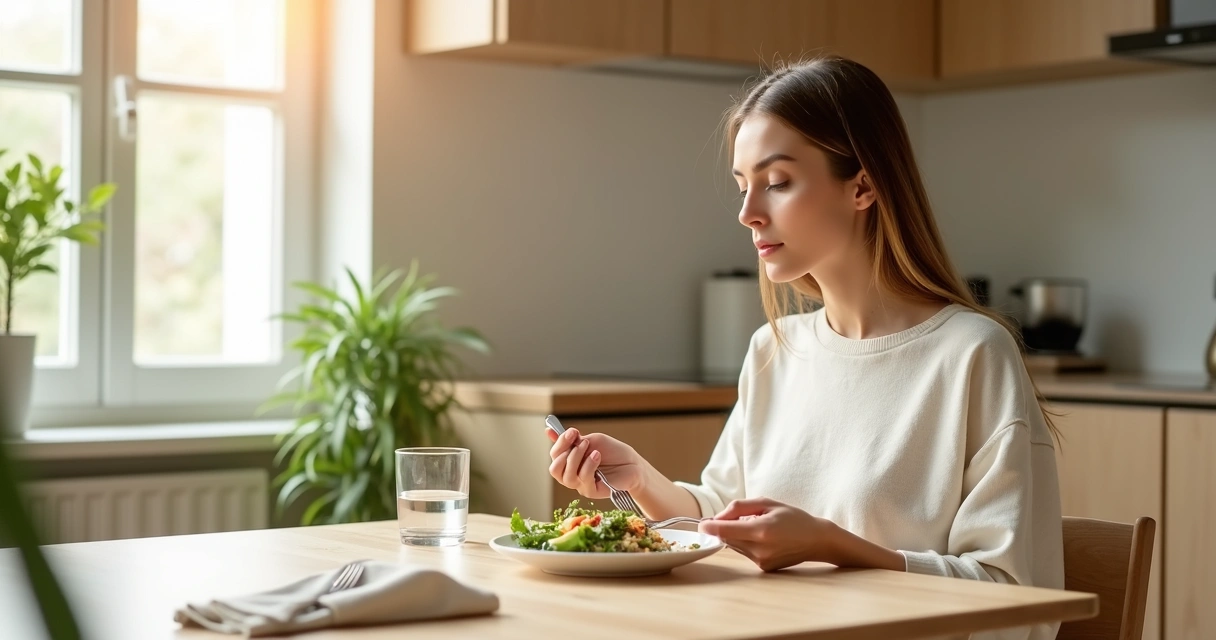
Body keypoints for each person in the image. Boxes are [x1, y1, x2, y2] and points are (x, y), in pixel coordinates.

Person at [546, 56, 1065, 640]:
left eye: (777, 182)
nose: (748, 214)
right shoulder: (774, 349)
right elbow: (718, 518)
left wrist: (831, 545)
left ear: (863, 185)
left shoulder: (973, 355)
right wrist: (638, 480)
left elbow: (1019, 602)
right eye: (744, 187)